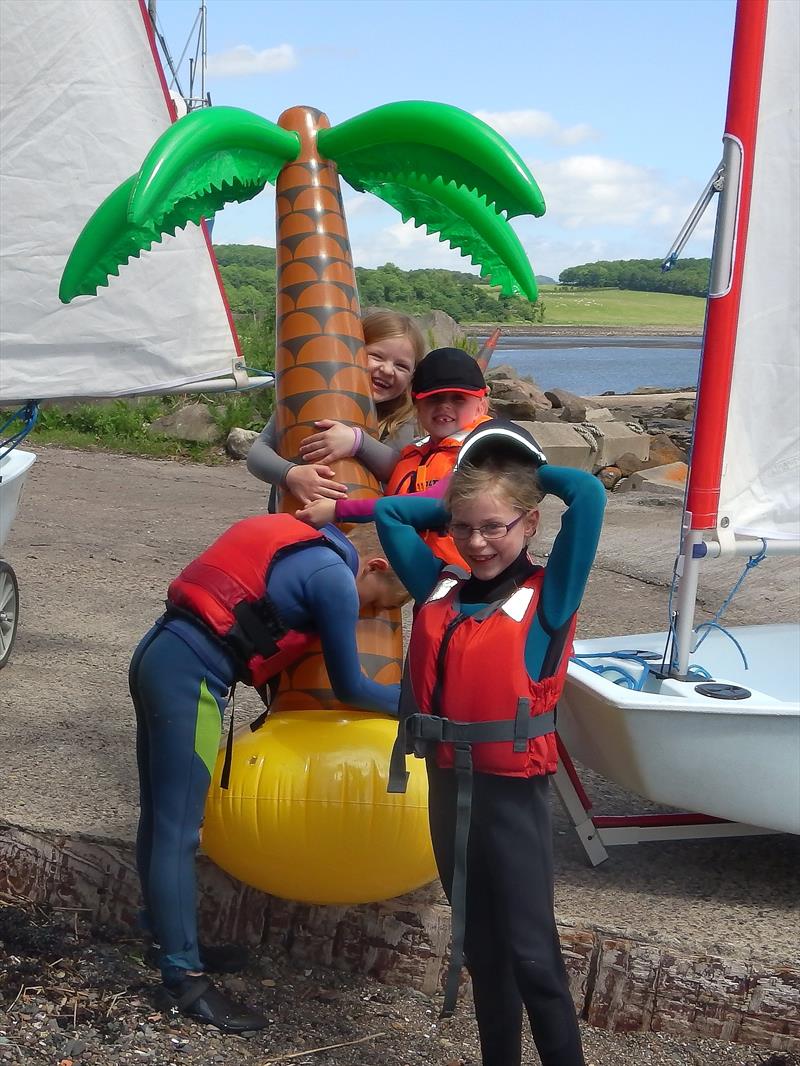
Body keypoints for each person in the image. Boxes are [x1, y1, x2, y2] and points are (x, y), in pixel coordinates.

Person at [371, 419, 606, 1066]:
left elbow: (586, 494)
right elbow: (391, 510)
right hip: (448, 791)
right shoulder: (438, 587)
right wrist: (460, 495)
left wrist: (513, 465)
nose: (476, 542)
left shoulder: (548, 598)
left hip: (512, 800)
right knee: (480, 951)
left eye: (494, 526)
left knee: (533, 956)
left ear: (530, 524)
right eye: (463, 527)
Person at [129, 515, 409, 1032]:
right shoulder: (334, 580)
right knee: (180, 831)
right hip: (191, 680)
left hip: (157, 653)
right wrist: (416, 705)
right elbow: (353, 688)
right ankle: (184, 979)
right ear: (374, 565)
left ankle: (165, 937)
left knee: (160, 817)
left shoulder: (301, 539)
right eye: (378, 600)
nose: (366, 610)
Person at [297, 346, 491, 567]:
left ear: (481, 406)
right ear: (417, 405)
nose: (445, 405)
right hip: (422, 580)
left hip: (473, 578)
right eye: (434, 398)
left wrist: (338, 510)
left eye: (458, 399)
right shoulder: (411, 455)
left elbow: (436, 501)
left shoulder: (485, 449)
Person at [247, 309, 425, 507]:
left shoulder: (401, 417)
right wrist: (290, 474)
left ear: (412, 376)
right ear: (350, 353)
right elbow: (257, 453)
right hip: (294, 517)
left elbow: (398, 467)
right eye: (376, 356)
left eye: (401, 366)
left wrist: (358, 442)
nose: (387, 369)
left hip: (356, 529)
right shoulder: (309, 394)